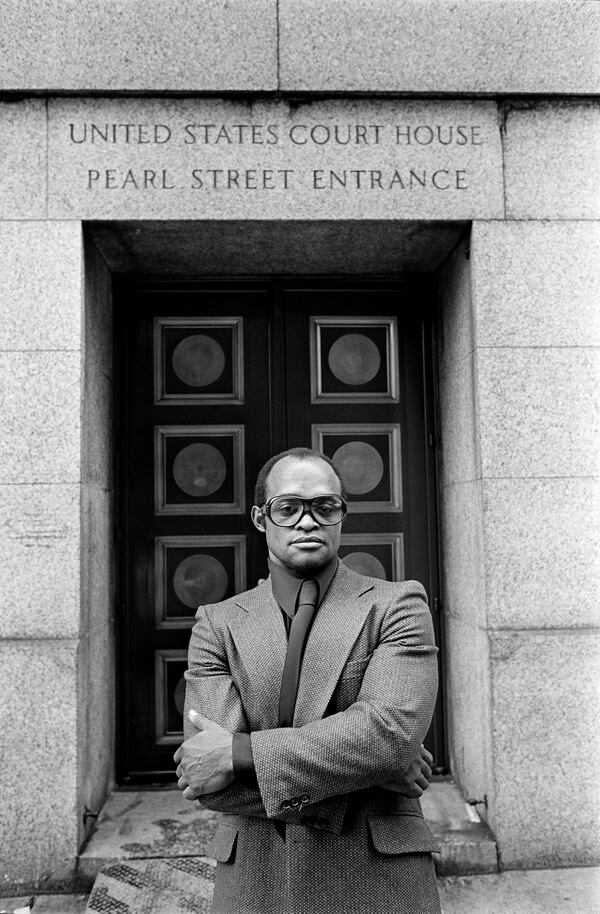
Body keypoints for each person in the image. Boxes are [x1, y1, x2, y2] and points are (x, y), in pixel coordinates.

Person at [174, 447, 441, 914]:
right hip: (257, 880)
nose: (307, 521)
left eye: (324, 506)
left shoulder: (398, 606)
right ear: (261, 518)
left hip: (378, 880)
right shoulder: (216, 624)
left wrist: (238, 752)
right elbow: (209, 779)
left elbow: (389, 736)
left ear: (341, 515)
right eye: (288, 507)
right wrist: (371, 771)